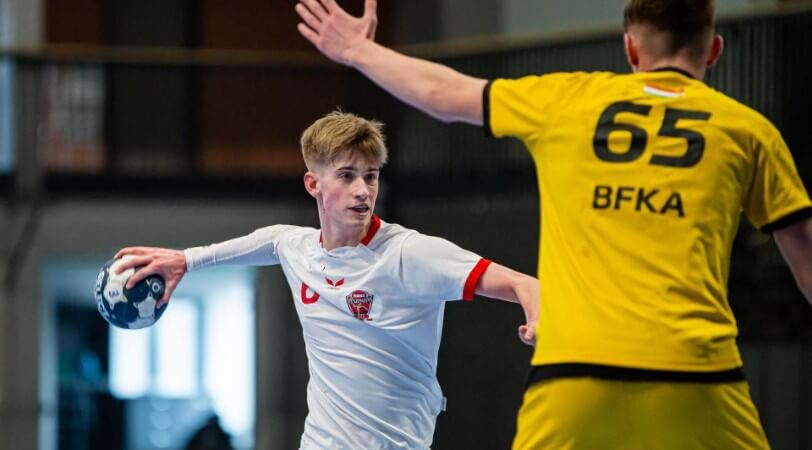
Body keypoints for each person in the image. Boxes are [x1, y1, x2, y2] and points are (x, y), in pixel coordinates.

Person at [294, 0, 812, 448]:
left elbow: (442, 94)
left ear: (631, 49)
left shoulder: (569, 100)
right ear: (714, 51)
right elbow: (806, 260)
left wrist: (358, 50)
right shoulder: (749, 132)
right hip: (699, 373)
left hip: (574, 374)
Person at [114, 111, 539, 450]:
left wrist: (538, 319)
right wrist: (186, 260)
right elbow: (269, 240)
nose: (363, 190)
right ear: (313, 184)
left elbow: (526, 284)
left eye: (371, 175)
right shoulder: (297, 248)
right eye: (347, 175)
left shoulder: (411, 254)